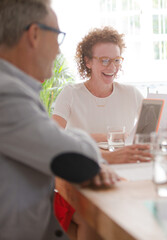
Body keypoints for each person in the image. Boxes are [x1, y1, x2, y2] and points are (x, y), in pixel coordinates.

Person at [0, 0, 120, 240]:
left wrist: (69, 140)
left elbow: (63, 147)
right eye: (57, 37)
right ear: (34, 35)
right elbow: (77, 161)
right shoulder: (7, 95)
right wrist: (84, 150)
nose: (57, 50)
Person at [52, 26, 167, 164]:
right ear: (88, 61)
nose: (112, 67)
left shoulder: (131, 94)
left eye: (117, 60)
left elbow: (149, 135)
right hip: (86, 165)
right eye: (105, 60)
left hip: (126, 165)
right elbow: (54, 137)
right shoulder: (71, 94)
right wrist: (107, 137)